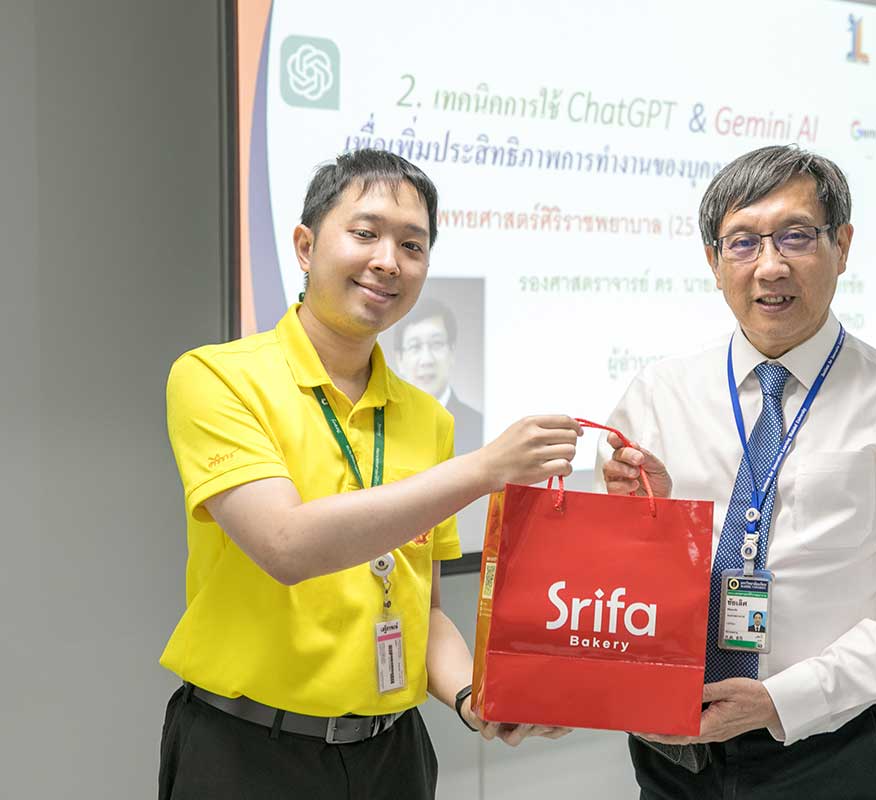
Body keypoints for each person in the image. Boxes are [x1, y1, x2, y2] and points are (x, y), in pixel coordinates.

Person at [158, 149, 579, 800]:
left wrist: (474, 696)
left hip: (392, 755)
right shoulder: (218, 377)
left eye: (412, 245)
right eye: (365, 233)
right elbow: (285, 546)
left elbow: (422, 610)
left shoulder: (428, 419)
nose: (389, 261)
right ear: (305, 247)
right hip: (246, 750)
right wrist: (482, 470)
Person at [599, 145, 876, 798]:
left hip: (827, 739)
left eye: (796, 236)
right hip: (674, 740)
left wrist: (786, 699)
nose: (770, 266)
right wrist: (643, 523)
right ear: (714, 263)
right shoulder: (657, 395)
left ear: (843, 246)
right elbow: (608, 583)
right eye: (743, 242)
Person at [393, 296, 484, 455]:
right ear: (399, 359)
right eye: (415, 346)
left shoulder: (479, 426)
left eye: (436, 344)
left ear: (452, 352)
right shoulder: (382, 426)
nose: (426, 360)